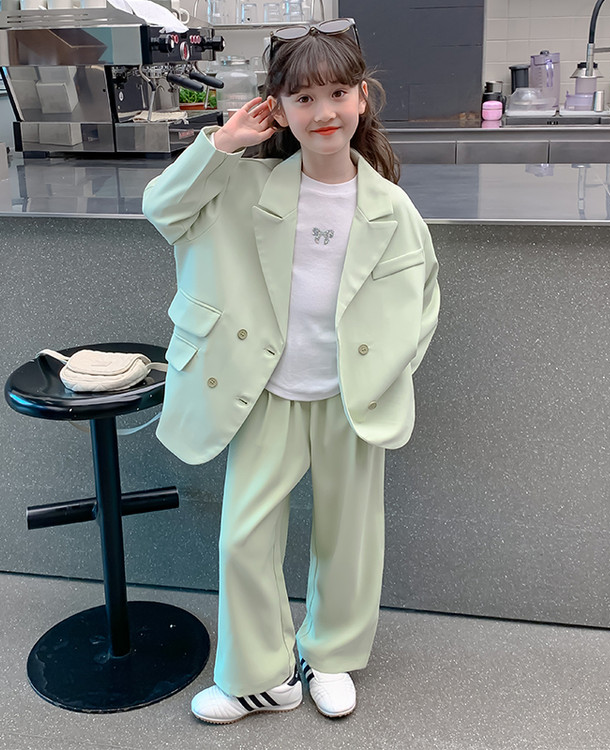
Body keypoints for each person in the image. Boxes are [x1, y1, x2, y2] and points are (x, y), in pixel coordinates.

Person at [142, 18, 440, 724]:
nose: (323, 112)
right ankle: (261, 675)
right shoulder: (240, 186)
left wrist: (387, 372)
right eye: (303, 98)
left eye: (337, 93)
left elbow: (421, 302)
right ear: (278, 108)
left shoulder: (391, 208)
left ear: (362, 97)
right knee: (243, 539)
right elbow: (162, 209)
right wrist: (220, 143)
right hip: (266, 394)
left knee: (349, 539)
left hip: (349, 401)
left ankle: (329, 654)